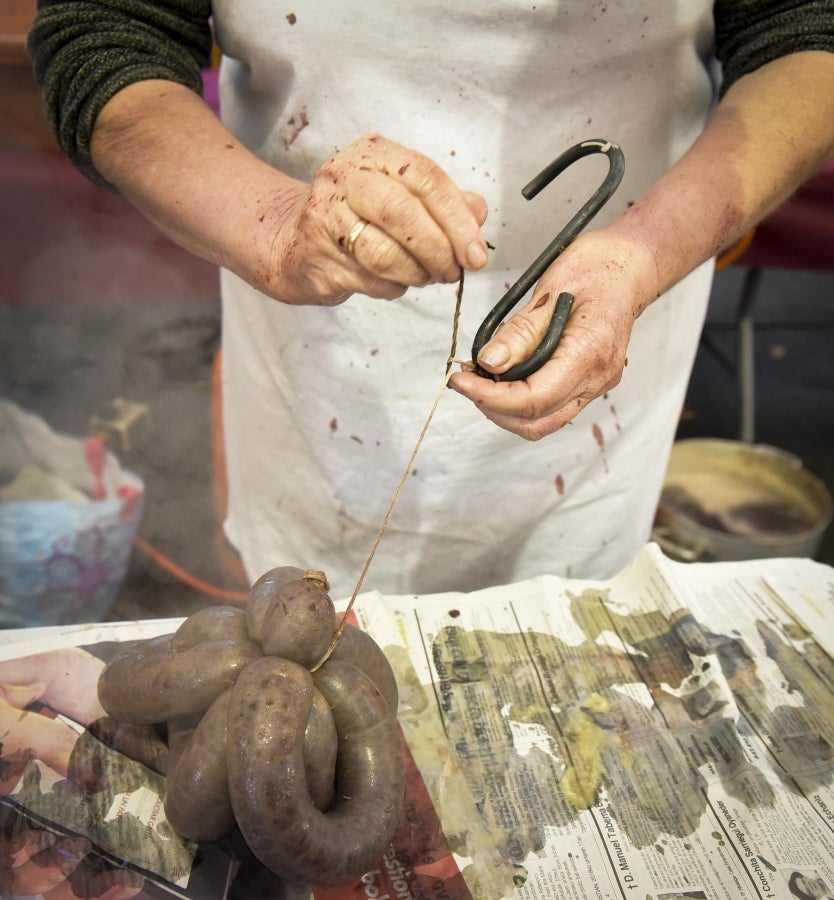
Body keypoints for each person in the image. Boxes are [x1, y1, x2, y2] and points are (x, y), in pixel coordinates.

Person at [27, 2, 834, 601]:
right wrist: (275, 226)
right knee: (310, 629)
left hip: (606, 392)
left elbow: (804, 34)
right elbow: (106, 35)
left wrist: (646, 250)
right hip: (316, 379)